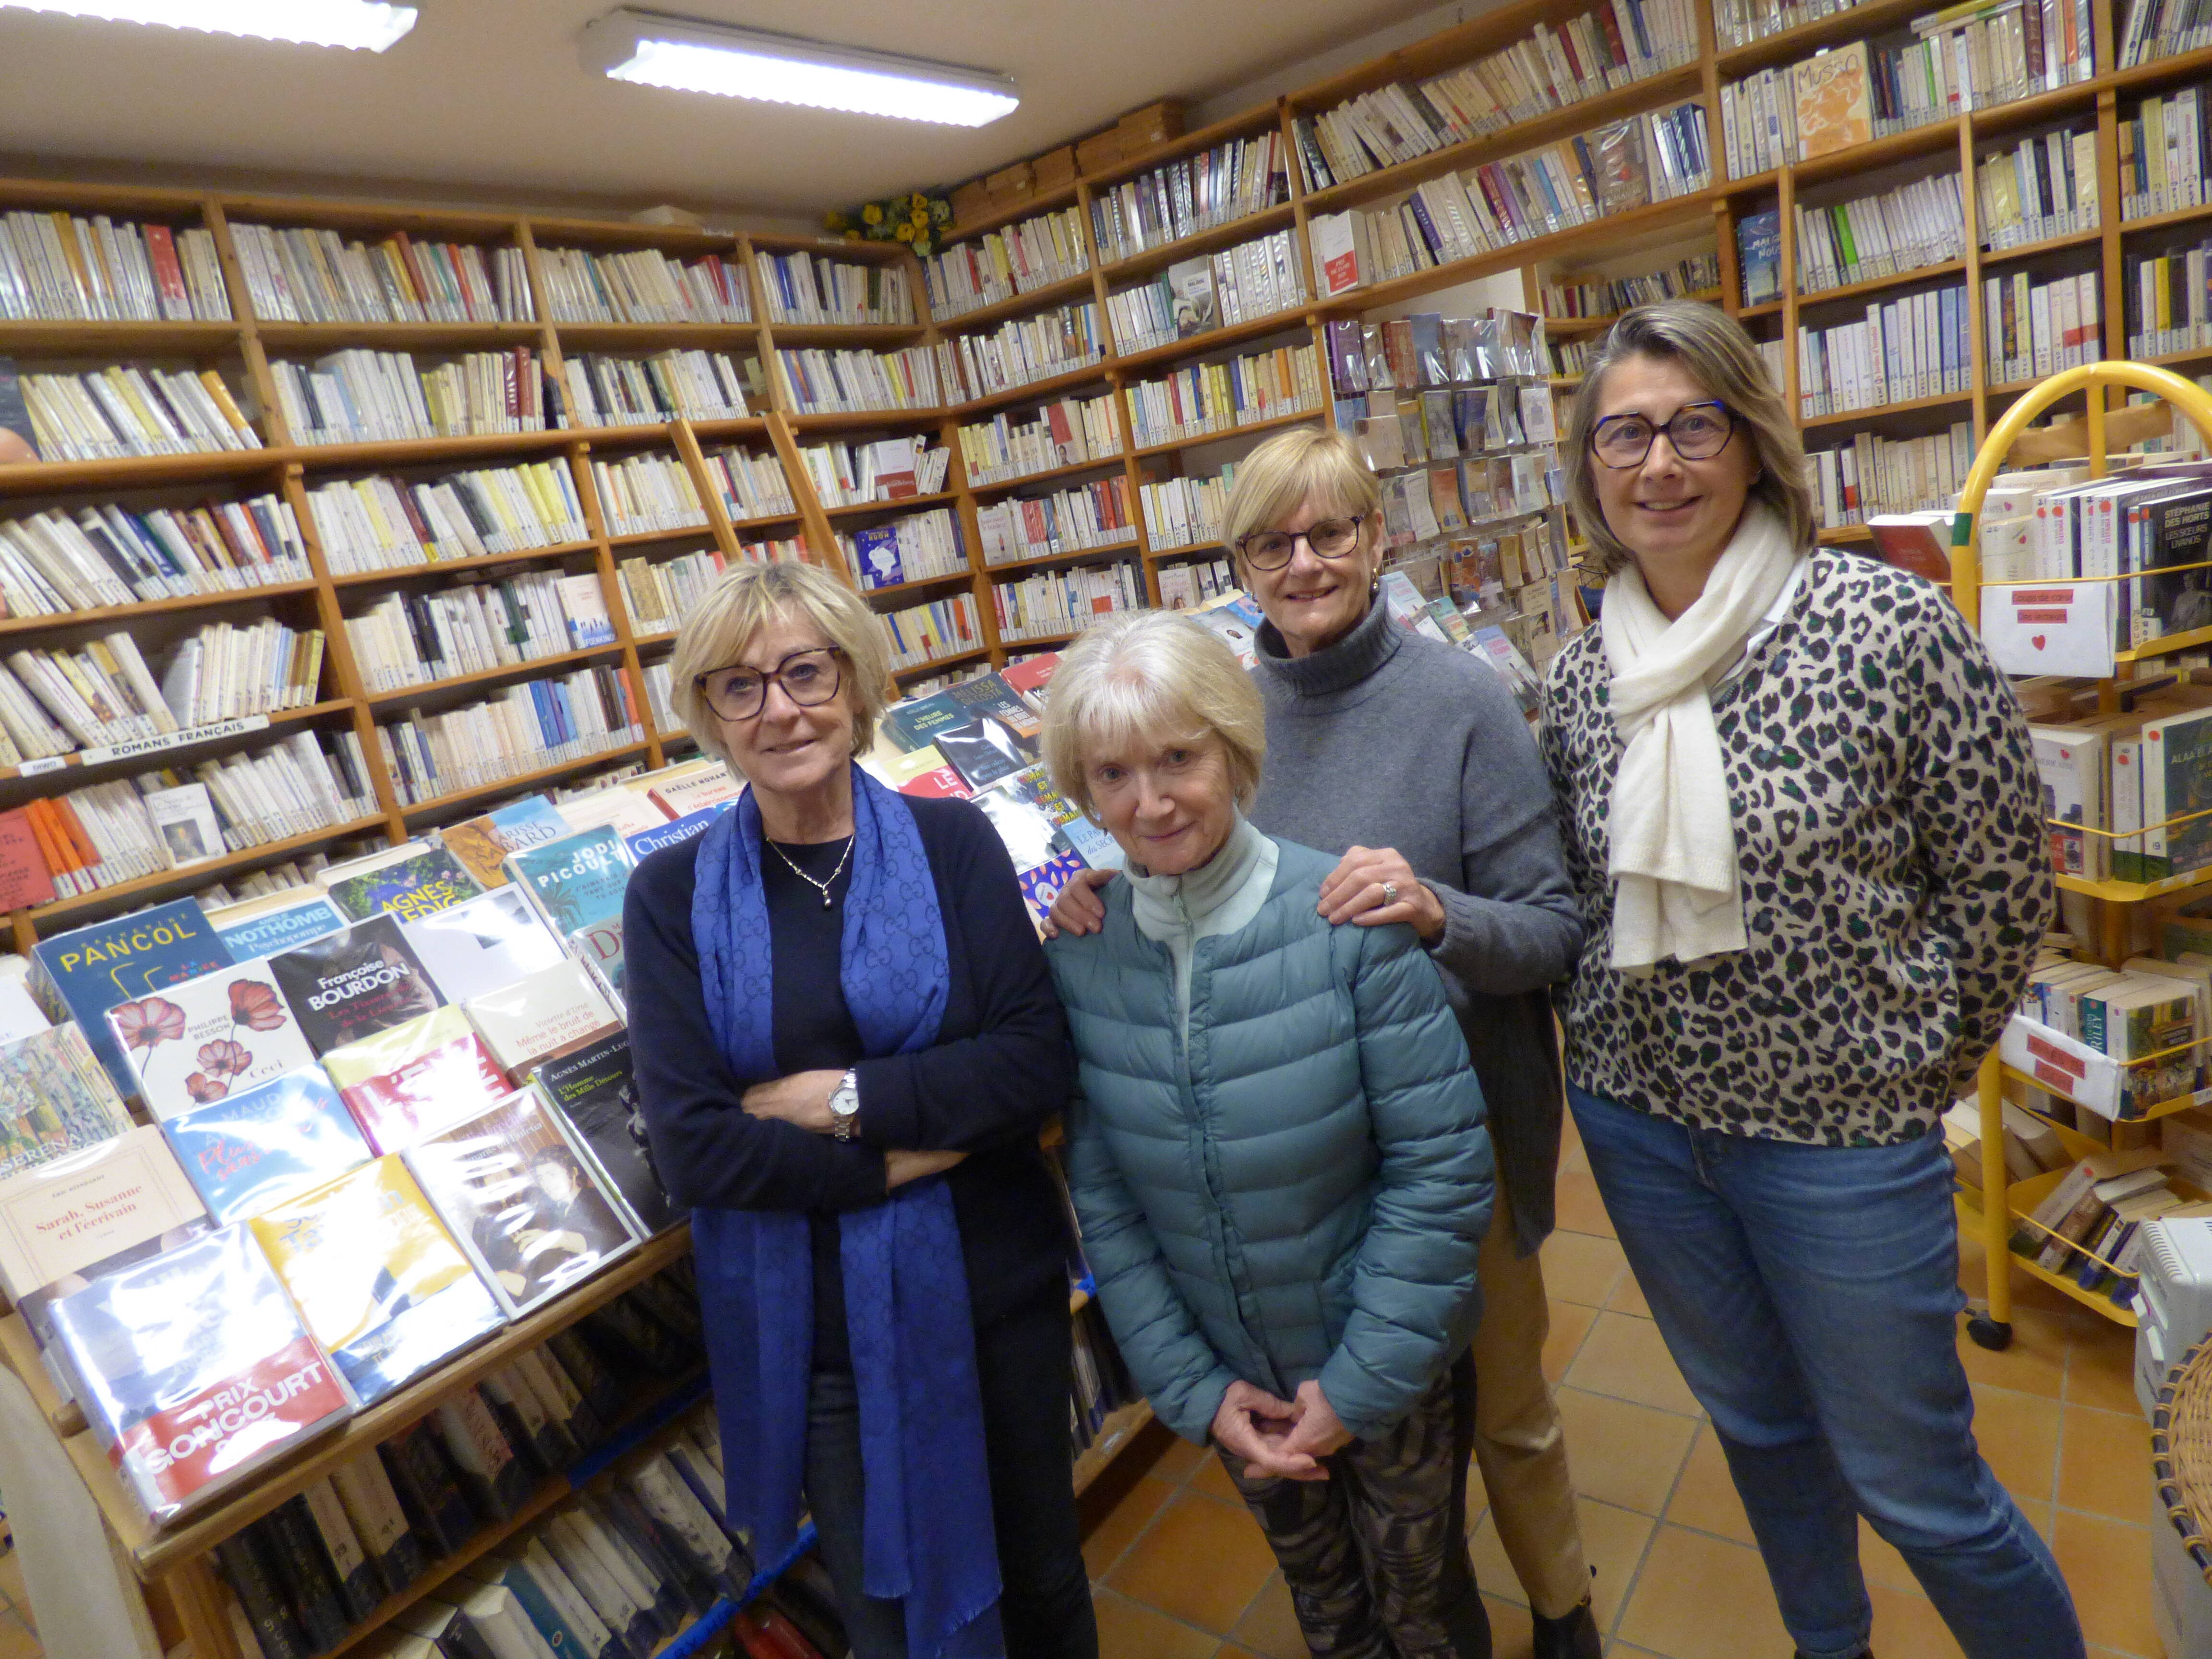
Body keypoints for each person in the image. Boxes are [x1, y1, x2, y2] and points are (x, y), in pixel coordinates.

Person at [1542, 299, 2081, 1659]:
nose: (1658, 465)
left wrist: (1909, 1067)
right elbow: (1569, 897)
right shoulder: (1574, 677)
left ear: (1752, 440)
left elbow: (2009, 877)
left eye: (1691, 426)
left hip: (1840, 1142)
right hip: (1642, 1130)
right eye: (1625, 436)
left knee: (1922, 1489)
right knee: (1765, 1434)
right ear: (1589, 468)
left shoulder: (1883, 625)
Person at [1050, 426, 1599, 1656]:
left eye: (1329, 531)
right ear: (1238, 563)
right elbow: (1175, 844)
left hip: (1450, 1126)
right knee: (1381, 1492)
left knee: (1501, 1407)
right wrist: (1087, 896)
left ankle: (1563, 1609)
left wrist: (1434, 910)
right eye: (1269, 542)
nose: (1303, 563)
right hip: (1293, 1149)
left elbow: (1557, 928)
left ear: (1377, 537)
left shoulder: (1458, 699)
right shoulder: (1212, 703)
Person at [625, 560, 1096, 1659]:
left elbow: (1032, 1065)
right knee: (884, 1618)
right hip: (821, 1334)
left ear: (855, 679)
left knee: (1042, 1577)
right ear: (710, 716)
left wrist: (842, 1099)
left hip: (995, 1293)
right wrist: (898, 1159)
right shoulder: (671, 898)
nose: (780, 708)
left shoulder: (954, 845)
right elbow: (698, 1150)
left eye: (803, 671)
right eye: (740, 688)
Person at [1040, 610, 1496, 1659]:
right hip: (1238, 1381)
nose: (1150, 802)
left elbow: (1442, 1172)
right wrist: (1197, 1395)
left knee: (1424, 1614)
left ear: (1234, 751)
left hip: (1388, 1366)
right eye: (1112, 774)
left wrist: (1360, 1384)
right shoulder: (1085, 957)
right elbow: (1108, 1204)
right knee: (1328, 1614)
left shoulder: (1347, 917)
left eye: (1178, 759)